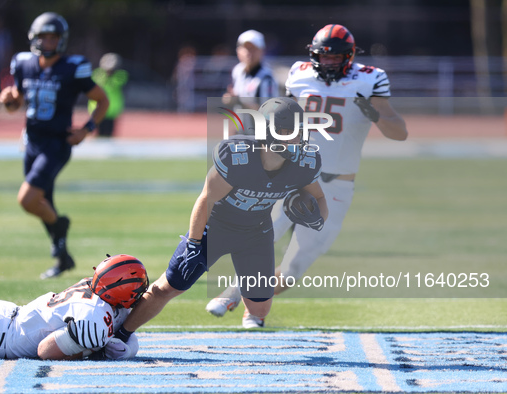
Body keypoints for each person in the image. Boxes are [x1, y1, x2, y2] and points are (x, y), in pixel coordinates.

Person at [206, 24, 408, 327]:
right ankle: (235, 294)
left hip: (338, 185)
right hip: (293, 174)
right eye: (322, 56)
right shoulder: (299, 74)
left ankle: (253, 306)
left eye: (334, 57)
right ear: (314, 56)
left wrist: (375, 115)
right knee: (259, 237)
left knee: (292, 269)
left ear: (349, 56)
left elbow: (400, 133)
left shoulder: (370, 79)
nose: (327, 62)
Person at [110, 97, 327, 344]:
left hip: (256, 232)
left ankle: (235, 293)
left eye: (297, 132)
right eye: (285, 131)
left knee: (260, 309)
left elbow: (319, 198)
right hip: (215, 228)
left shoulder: (304, 164)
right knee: (167, 287)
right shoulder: (238, 157)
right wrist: (193, 243)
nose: (294, 138)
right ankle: (120, 331)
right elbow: (205, 200)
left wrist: (317, 219)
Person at [0, 12, 109, 279]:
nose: (48, 42)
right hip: (32, 142)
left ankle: (60, 226)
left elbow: (102, 100)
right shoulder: (23, 63)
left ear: (62, 40)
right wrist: (8, 99)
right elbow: (17, 103)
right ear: (34, 38)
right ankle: (62, 257)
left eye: (53, 37)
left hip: (57, 144)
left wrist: (87, 129)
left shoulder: (73, 66)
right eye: (43, 36)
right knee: (42, 201)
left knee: (27, 200)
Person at [0, 254, 148, 360]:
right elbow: (45, 351)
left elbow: (122, 328)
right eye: (137, 288)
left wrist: (125, 348)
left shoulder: (97, 293)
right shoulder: (96, 317)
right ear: (121, 290)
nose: (140, 293)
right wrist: (93, 348)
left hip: (2, 320)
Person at [223, 29, 278, 134]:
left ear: (262, 51)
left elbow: (268, 115)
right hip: (242, 133)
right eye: (246, 48)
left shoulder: (266, 78)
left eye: (253, 49)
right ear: (238, 50)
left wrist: (239, 101)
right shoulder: (238, 71)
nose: (249, 53)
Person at [88, 53, 129, 138]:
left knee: (109, 134)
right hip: (97, 109)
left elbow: (116, 84)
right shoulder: (97, 74)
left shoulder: (120, 75)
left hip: (112, 110)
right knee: (98, 134)